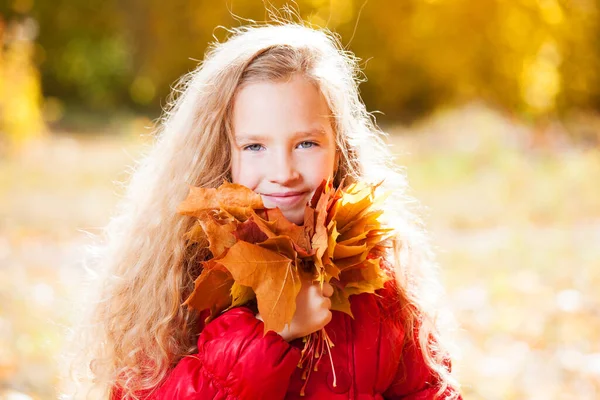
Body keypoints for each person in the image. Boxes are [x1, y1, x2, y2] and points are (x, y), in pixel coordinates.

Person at [70, 20, 462, 400]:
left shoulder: (378, 275)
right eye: (255, 147)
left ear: (339, 147)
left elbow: (428, 390)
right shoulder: (179, 279)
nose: (283, 173)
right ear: (221, 154)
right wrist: (272, 331)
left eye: (306, 143)